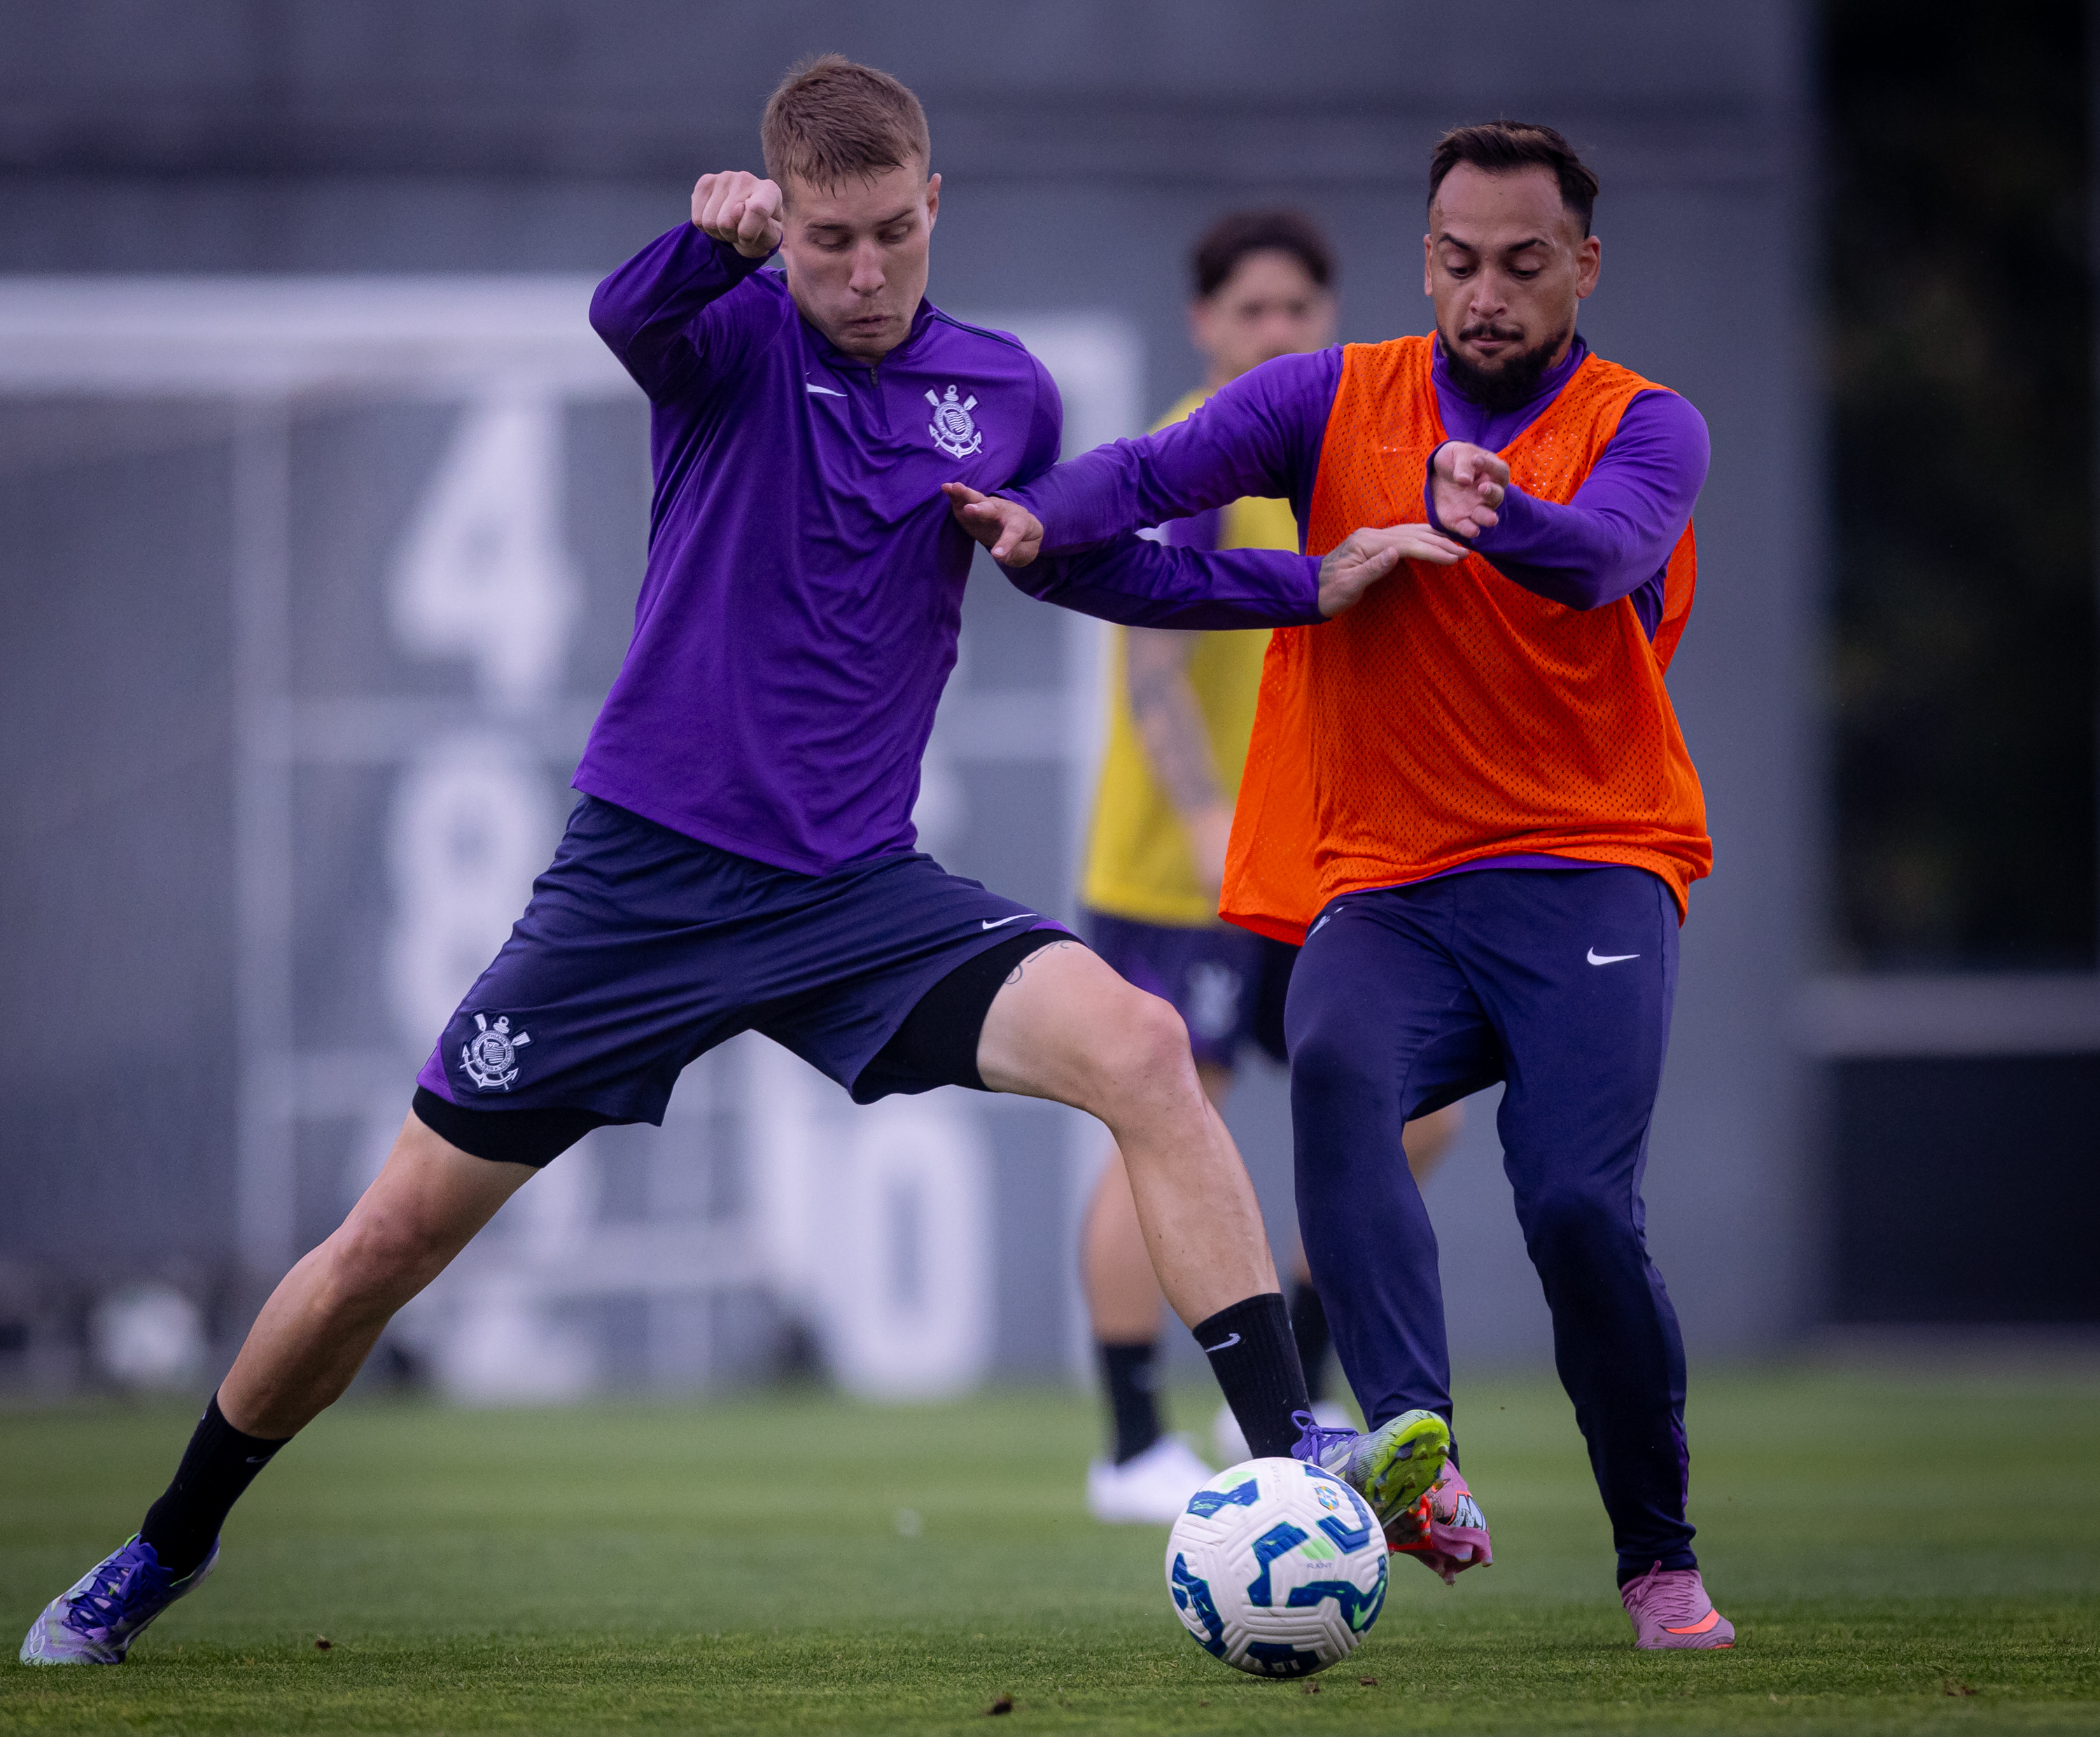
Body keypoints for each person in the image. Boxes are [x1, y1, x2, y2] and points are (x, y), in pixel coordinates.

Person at [20, 56, 1463, 1668]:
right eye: (826, 238)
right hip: (639, 887)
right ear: (784, 224)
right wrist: (708, 247)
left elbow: (1077, 564)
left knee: (1140, 1044)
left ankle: (1291, 1446)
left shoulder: (1004, 392)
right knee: (387, 1242)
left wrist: (1301, 589)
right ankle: (159, 1546)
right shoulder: (725, 334)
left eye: (889, 236)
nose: (859, 272)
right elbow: (623, 321)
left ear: (937, 207)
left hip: (857, 897)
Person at [948, 121, 1734, 1649]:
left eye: (1521, 263)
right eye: (1456, 262)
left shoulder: (1652, 424)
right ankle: (1411, 1452)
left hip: (1593, 865)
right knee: (1332, 1062)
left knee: (1576, 1206)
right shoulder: (1331, 395)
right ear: (1422, 257)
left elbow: (1601, 558)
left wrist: (1499, 510)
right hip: (1387, 882)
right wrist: (1045, 517)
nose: (1485, 293)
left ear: (1583, 263)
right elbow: (1157, 470)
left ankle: (1659, 1556)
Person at [1077, 209, 1464, 1522]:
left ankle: (1291, 1388)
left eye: (1300, 308)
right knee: (1170, 1113)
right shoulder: (1205, 457)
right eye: (1251, 310)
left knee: (1419, 1110)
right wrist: (1198, 819)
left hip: (1316, 857)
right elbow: (1151, 670)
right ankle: (1131, 1442)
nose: (1278, 332)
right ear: (1205, 324)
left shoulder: (1353, 451)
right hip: (1179, 870)